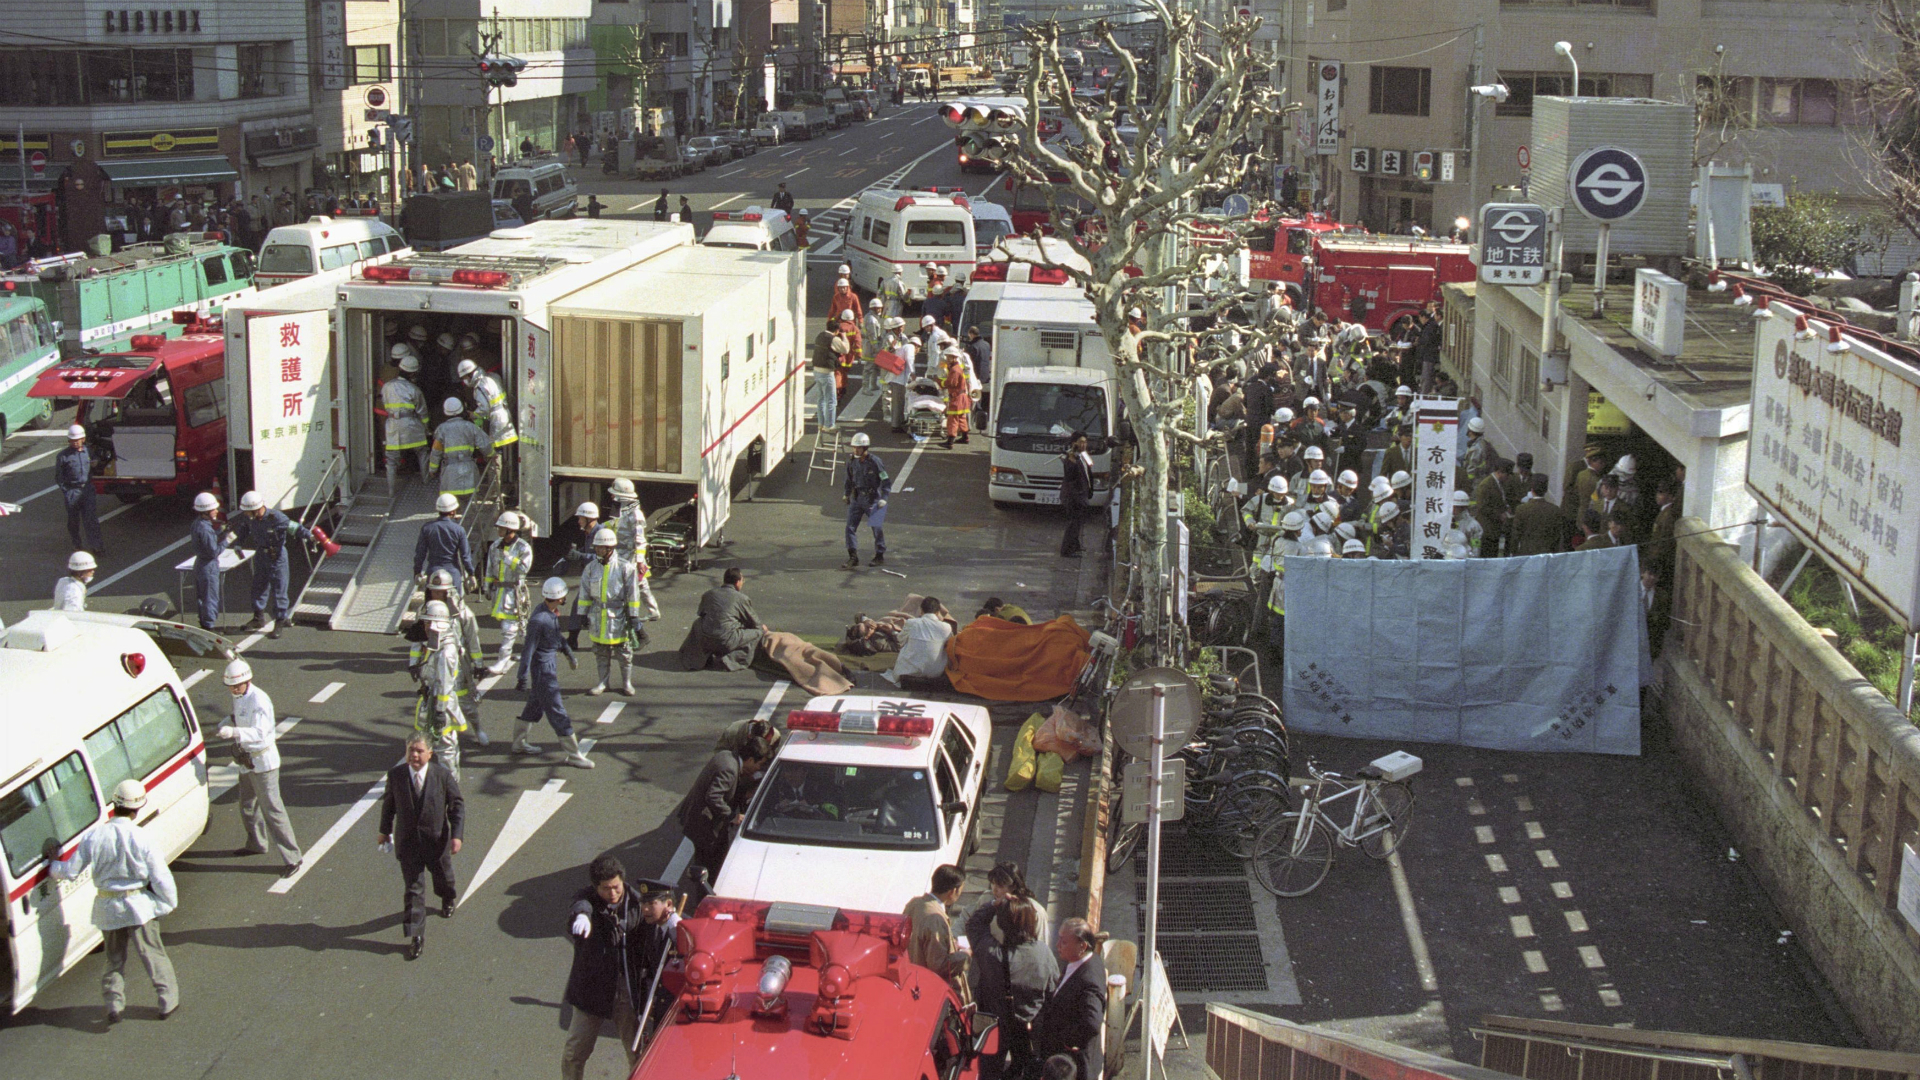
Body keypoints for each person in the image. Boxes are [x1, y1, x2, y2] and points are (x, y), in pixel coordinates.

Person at [45, 779, 180, 1022]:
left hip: (108, 907)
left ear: (113, 804)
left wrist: (52, 864)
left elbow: (71, 871)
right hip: (139, 906)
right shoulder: (141, 837)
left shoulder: (93, 836)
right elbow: (160, 876)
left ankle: (114, 1005)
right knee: (153, 954)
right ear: (137, 809)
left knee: (114, 959)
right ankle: (167, 1001)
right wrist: (169, 903)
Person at [562, 859, 680, 1079]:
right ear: (596, 887)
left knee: (638, 1054)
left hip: (627, 993)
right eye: (605, 889)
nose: (613, 893)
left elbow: (660, 926)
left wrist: (673, 923)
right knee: (574, 1053)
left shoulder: (637, 904)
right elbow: (580, 904)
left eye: (616, 887)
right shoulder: (587, 901)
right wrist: (581, 917)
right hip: (592, 992)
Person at [377, 733, 465, 961]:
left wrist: (456, 835)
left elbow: (456, 806)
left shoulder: (442, 776)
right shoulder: (396, 775)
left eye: (419, 750)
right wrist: (384, 831)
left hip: (437, 843)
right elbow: (389, 805)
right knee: (413, 890)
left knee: (443, 877)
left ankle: (447, 898)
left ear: (430, 754)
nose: (414, 755)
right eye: (410, 751)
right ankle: (416, 935)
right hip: (408, 845)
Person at [217, 659, 303, 876]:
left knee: (273, 810)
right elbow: (240, 716)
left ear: (247, 680)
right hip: (247, 760)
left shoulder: (259, 700)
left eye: (236, 686)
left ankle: (293, 858)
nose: (233, 690)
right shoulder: (240, 696)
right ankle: (256, 843)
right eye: (230, 687)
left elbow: (260, 733)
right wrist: (229, 720)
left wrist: (234, 732)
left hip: (263, 763)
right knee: (247, 805)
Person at [514, 577, 591, 766]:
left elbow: (557, 638)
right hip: (543, 671)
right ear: (559, 598)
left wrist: (569, 654)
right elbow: (528, 649)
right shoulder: (539, 620)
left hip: (547, 666)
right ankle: (574, 755)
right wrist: (522, 676)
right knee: (557, 711)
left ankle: (518, 743)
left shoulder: (547, 613)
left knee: (534, 705)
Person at [226, 490, 318, 637]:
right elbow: (244, 528)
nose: (246, 514)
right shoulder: (251, 519)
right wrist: (239, 543)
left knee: (279, 589)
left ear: (256, 509)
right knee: (258, 586)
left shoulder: (277, 518)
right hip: (261, 555)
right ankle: (258, 618)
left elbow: (295, 528)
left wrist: (310, 536)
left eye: (248, 512)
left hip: (277, 556)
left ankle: (280, 620)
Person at [680, 735, 770, 886]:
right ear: (749, 760)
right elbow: (713, 796)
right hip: (705, 828)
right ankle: (706, 897)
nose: (758, 768)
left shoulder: (726, 756)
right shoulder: (729, 769)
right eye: (759, 764)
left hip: (698, 822)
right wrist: (732, 816)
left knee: (706, 863)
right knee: (711, 869)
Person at [579, 527, 653, 697]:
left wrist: (634, 616)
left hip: (619, 615)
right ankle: (603, 683)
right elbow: (584, 592)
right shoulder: (591, 568)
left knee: (624, 652)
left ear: (610, 548)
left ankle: (627, 683)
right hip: (598, 615)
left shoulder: (625, 567)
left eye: (600, 547)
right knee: (600, 652)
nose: (597, 550)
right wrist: (582, 614)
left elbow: (633, 594)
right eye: (596, 547)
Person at [1032, 918, 1108, 1080]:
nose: (1058, 945)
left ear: (1082, 946)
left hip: (1074, 1065)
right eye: (1059, 938)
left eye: (1064, 942)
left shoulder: (1089, 980)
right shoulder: (1085, 960)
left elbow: (1092, 1023)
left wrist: (1066, 1039)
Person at [904, 865, 971, 1003]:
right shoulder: (935, 918)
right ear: (953, 891)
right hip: (930, 991)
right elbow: (938, 965)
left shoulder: (915, 903)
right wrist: (965, 955)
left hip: (912, 979)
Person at [680, 567, 768, 671]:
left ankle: (693, 656)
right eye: (742, 580)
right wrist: (763, 629)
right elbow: (755, 624)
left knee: (698, 623)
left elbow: (701, 613)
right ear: (737, 582)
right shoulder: (742, 598)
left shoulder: (709, 594)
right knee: (758, 632)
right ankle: (731, 660)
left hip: (706, 639)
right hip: (726, 641)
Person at [483, 511, 534, 675]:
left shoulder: (523, 547)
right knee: (517, 628)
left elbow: (524, 568)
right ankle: (531, 654)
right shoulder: (495, 545)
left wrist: (509, 559)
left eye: (502, 528)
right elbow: (490, 567)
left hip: (515, 593)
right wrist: (487, 586)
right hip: (500, 593)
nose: (498, 531)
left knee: (511, 629)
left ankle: (503, 661)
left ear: (510, 530)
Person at [382, 350, 430, 493]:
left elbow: (385, 404)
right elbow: (423, 413)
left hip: (392, 425)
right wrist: (426, 429)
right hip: (411, 425)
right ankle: (426, 481)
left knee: (391, 461)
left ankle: (391, 492)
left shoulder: (387, 386)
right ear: (412, 373)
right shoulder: (414, 389)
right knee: (422, 452)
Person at [428, 397, 490, 505]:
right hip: (469, 470)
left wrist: (432, 469)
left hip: (450, 473)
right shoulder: (471, 427)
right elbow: (485, 444)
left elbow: (436, 452)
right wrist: (491, 455)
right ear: (462, 410)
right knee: (469, 504)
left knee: (450, 504)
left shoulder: (441, 429)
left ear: (445, 412)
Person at [885, 596, 956, 687]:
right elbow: (949, 645)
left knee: (907, 644)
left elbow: (900, 640)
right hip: (936, 673)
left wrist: (892, 632)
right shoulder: (946, 627)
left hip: (909, 672)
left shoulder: (911, 623)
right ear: (938, 612)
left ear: (921, 610)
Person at [844, 432, 890, 568]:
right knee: (850, 528)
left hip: (873, 499)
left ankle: (879, 555)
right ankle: (853, 557)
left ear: (865, 448)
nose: (855, 450)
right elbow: (849, 479)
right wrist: (846, 494)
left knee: (876, 527)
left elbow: (885, 480)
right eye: (854, 447)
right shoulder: (851, 461)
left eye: (858, 448)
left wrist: (884, 498)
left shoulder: (875, 462)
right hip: (857, 498)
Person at [57, 423, 104, 554]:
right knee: (73, 521)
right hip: (72, 491)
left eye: (77, 440)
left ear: (83, 439)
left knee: (91, 519)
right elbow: (59, 477)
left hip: (87, 489)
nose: (75, 443)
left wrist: (96, 463)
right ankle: (76, 543)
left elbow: (96, 460)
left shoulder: (88, 451)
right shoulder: (63, 456)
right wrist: (66, 492)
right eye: (72, 440)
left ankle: (96, 546)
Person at [415, 492, 476, 593]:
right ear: (453, 512)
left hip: (433, 572)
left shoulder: (427, 528)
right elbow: (465, 556)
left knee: (431, 604)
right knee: (455, 604)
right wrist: (471, 574)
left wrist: (417, 572)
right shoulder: (459, 530)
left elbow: (420, 553)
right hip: (452, 572)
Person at [186, 492, 227, 630]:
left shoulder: (197, 524)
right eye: (214, 509)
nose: (216, 511)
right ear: (205, 511)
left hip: (200, 564)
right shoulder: (205, 529)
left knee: (202, 597)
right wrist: (227, 539)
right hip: (209, 566)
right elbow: (213, 551)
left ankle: (204, 623)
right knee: (210, 597)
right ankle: (209, 627)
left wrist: (220, 534)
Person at [1059, 431, 1094, 558]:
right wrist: (1071, 459)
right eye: (1081, 442)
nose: (1084, 444)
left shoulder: (1083, 455)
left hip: (1082, 494)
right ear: (1075, 443)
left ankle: (1075, 545)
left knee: (1078, 523)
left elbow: (1088, 471)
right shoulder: (1071, 458)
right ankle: (1067, 550)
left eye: (1085, 442)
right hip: (1073, 497)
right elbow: (1070, 476)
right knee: (1073, 523)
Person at [1471, 458, 1515, 558]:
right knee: (1487, 555)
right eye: (1507, 475)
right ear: (1500, 472)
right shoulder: (1486, 485)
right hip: (1487, 530)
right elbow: (1482, 507)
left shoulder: (1499, 484)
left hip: (1494, 530)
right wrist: (1499, 515)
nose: (1508, 478)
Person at [1509, 475, 1560, 556]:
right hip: (1547, 554)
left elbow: (1516, 534)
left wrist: (1513, 551)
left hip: (1526, 553)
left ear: (1531, 489)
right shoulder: (1554, 510)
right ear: (1546, 490)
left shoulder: (1521, 509)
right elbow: (1557, 536)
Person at [939, 347, 973, 448]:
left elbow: (951, 383)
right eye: (947, 357)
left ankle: (950, 442)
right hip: (962, 397)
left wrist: (940, 382)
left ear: (954, 358)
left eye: (949, 357)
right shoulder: (957, 368)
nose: (947, 359)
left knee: (952, 419)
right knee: (962, 418)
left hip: (957, 398)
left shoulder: (954, 370)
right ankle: (965, 437)